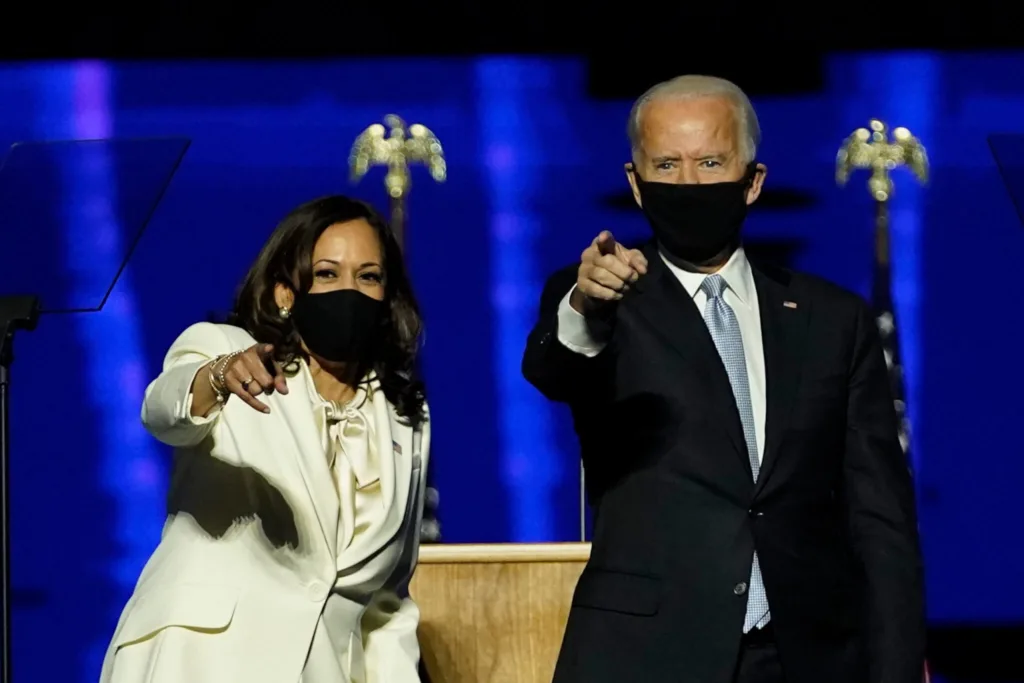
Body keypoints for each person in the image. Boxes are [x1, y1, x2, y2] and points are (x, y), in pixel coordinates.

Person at [522, 75, 925, 683]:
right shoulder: (602, 297)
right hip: (644, 655)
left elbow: (879, 516)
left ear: (752, 181)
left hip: (805, 656)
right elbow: (555, 367)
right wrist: (585, 305)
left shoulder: (831, 319)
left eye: (710, 162)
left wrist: (895, 665)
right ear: (635, 184)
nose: (686, 184)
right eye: (666, 165)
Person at [100, 196, 430, 683]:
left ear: (387, 295)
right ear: (284, 292)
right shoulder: (226, 350)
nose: (349, 290)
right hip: (202, 659)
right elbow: (162, 410)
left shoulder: (405, 413)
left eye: (368, 276)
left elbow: (386, 600)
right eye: (326, 273)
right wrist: (215, 378)